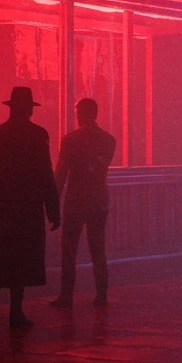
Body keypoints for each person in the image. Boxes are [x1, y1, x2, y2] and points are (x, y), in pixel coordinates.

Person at [0, 86, 60, 331]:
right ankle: (16, 310)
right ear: (28, 109)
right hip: (27, 207)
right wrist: (53, 209)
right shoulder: (38, 135)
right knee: (23, 259)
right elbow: (46, 174)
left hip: (1, 207)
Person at [50, 98, 117, 309]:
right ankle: (101, 293)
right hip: (98, 199)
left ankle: (67, 295)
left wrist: (53, 202)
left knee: (69, 248)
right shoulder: (109, 140)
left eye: (78, 112)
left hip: (76, 199)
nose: (76, 116)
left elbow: (61, 173)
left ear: (84, 113)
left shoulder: (70, 139)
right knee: (98, 247)